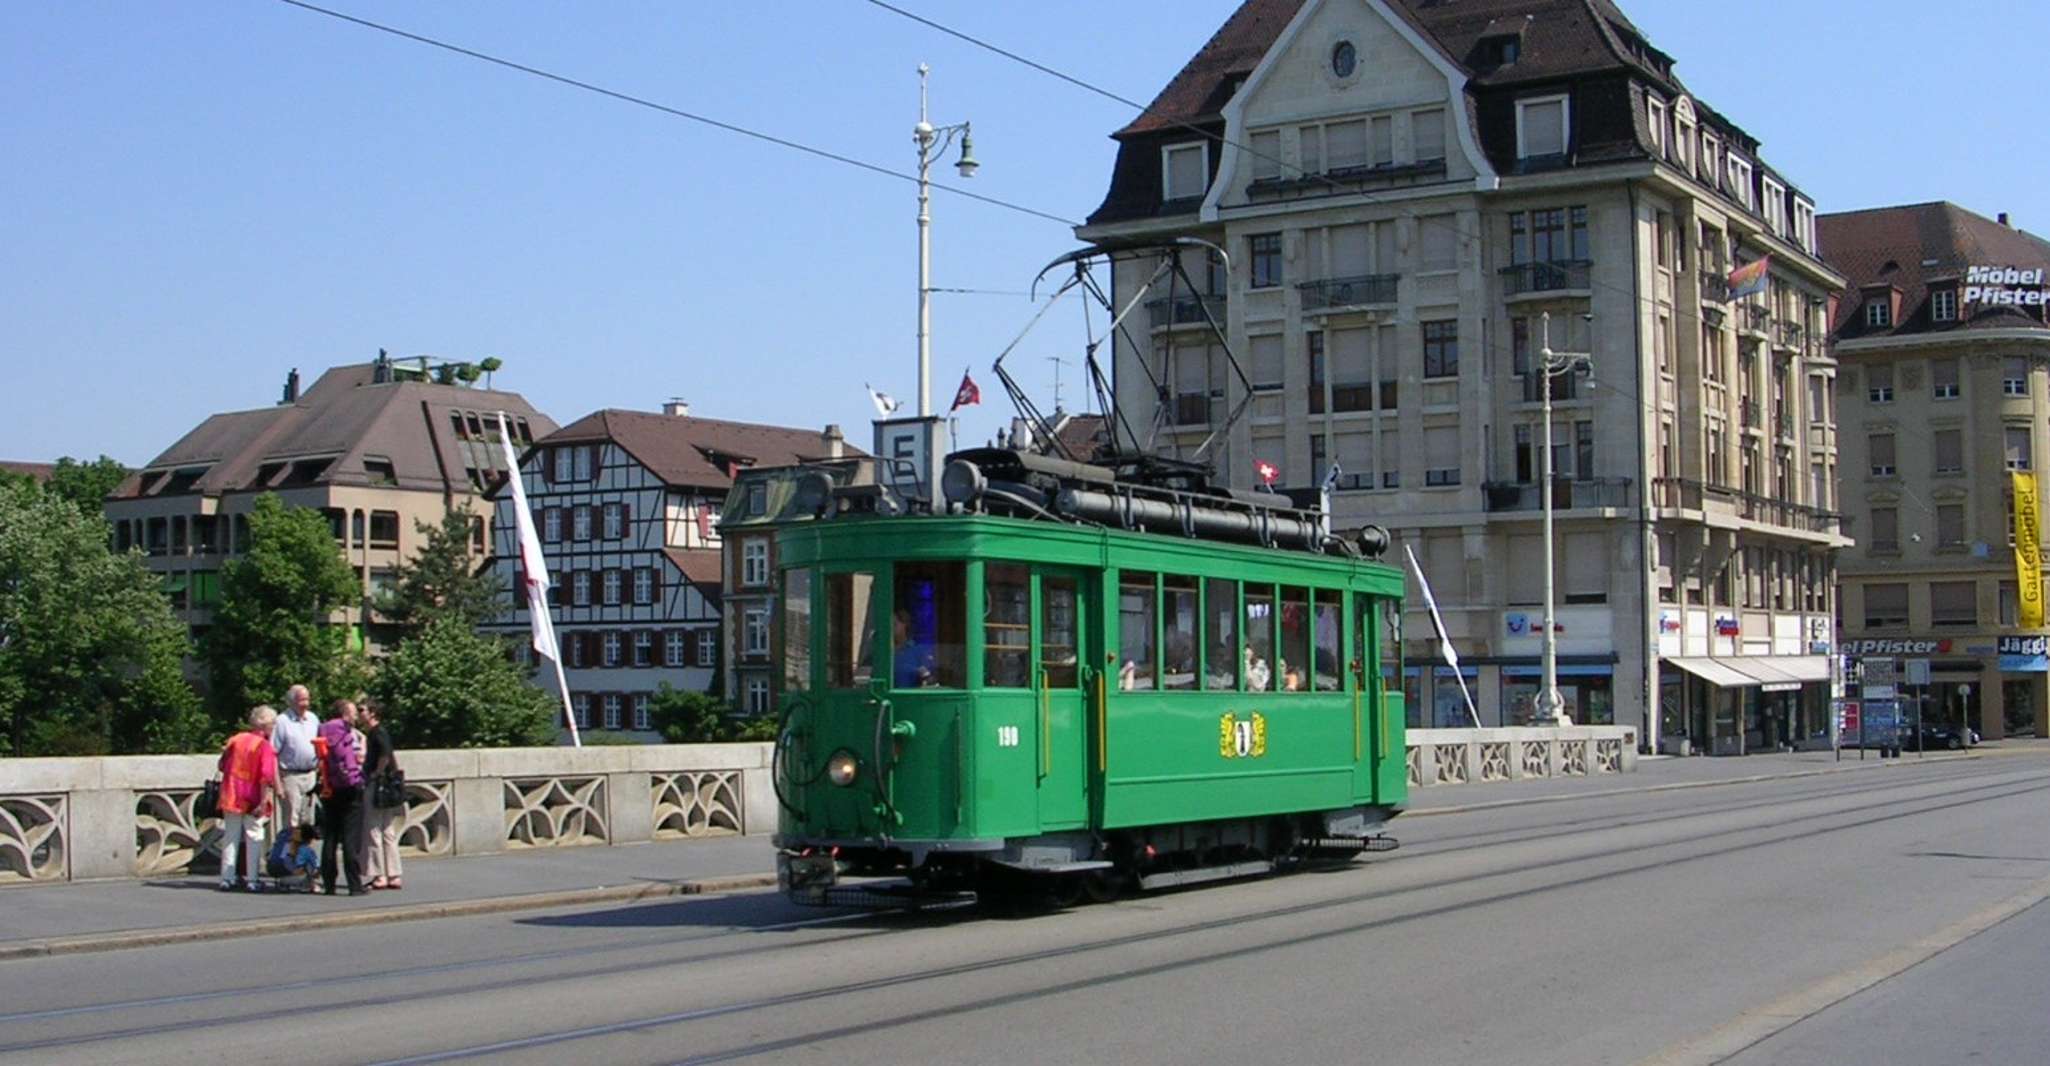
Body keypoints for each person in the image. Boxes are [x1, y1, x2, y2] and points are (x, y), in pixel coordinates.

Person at [216, 705, 282, 891]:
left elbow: (222, 765)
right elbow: (265, 777)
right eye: (272, 723)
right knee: (254, 836)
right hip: (251, 796)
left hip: (231, 793)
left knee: (230, 836)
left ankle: (227, 878)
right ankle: (253, 879)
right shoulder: (264, 745)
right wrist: (263, 802)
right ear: (265, 725)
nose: (274, 727)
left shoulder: (236, 740)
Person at [316, 700, 368, 896]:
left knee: (330, 836)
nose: (355, 717)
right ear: (344, 714)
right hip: (350, 788)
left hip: (329, 787)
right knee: (349, 838)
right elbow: (357, 759)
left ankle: (329, 883)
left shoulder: (323, 730)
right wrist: (362, 744)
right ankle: (354, 885)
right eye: (353, 713)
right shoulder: (347, 733)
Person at [361, 702, 403, 891]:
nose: (359, 714)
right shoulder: (380, 732)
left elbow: (385, 754)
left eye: (362, 710)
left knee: (374, 829)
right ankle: (394, 873)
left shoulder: (377, 732)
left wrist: (376, 774)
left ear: (372, 713)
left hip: (378, 785)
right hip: (387, 785)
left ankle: (380, 874)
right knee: (387, 829)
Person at [271, 684, 322, 837]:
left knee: (308, 820)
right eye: (301, 700)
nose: (305, 704)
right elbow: (272, 753)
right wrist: (278, 785)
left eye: (307, 699)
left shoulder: (313, 718)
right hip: (290, 776)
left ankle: (304, 856)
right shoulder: (281, 721)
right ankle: (291, 856)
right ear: (292, 701)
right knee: (292, 821)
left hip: (311, 774)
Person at [892, 608, 935, 688]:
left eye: (894, 624)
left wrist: (924, 677)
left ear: (904, 625)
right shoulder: (881, 651)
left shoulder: (918, 651)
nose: (890, 629)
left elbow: (930, 680)